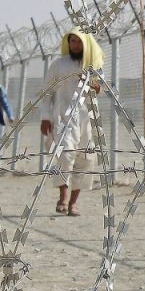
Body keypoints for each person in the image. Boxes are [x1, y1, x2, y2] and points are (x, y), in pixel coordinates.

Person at [40, 29, 104, 217]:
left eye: (79, 42)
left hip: (87, 120)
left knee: (85, 160)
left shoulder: (93, 65)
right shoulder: (59, 65)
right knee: (65, 156)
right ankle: (63, 196)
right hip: (63, 118)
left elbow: (103, 89)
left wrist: (95, 85)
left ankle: (73, 203)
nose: (75, 45)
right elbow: (47, 92)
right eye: (73, 41)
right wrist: (45, 117)